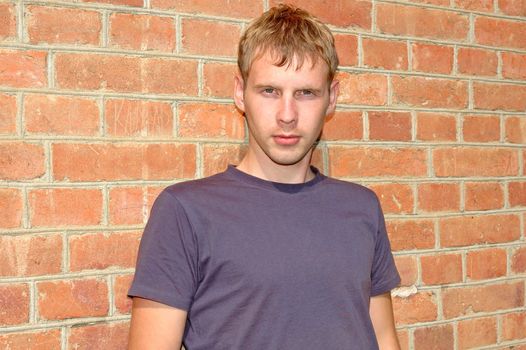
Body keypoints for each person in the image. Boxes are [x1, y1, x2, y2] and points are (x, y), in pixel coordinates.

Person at [128, 4, 401, 350]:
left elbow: (383, 337)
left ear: (331, 98)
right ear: (240, 93)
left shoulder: (362, 207)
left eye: (306, 93)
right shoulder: (185, 212)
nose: (287, 115)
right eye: (270, 91)